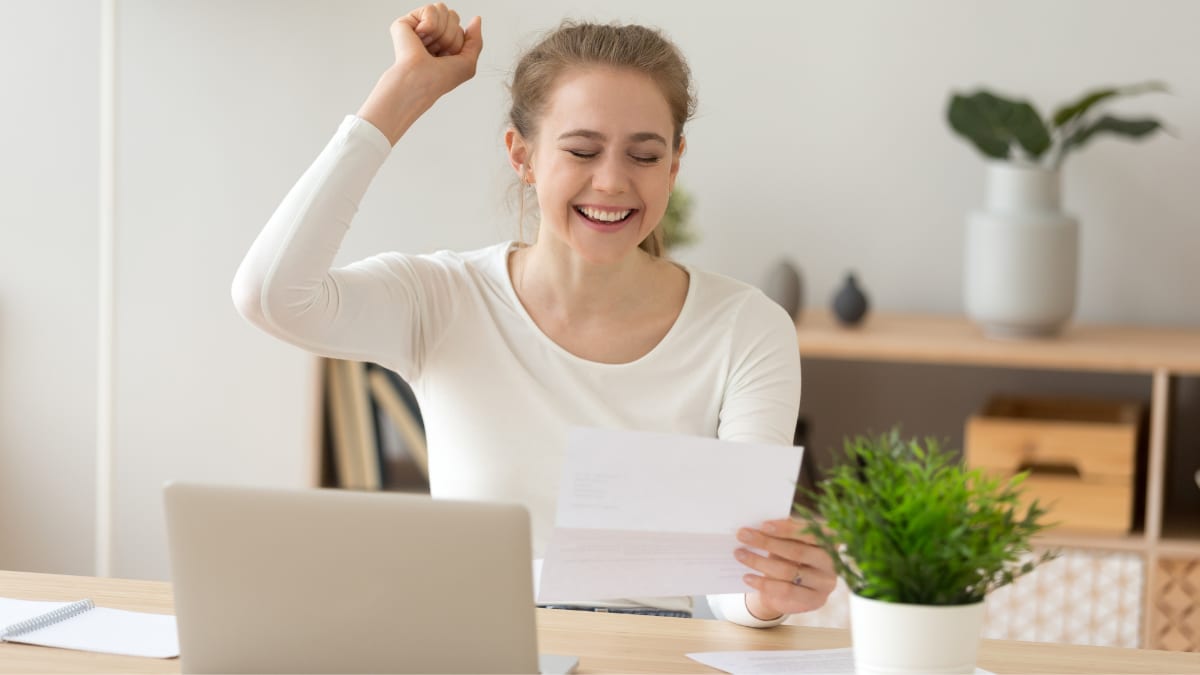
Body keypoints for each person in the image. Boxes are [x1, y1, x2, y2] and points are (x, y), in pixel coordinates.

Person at [232, 3, 835, 626]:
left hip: (647, 656)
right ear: (522, 156)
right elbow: (272, 296)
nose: (611, 182)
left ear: (675, 164)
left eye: (645, 156)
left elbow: (735, 579)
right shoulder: (443, 297)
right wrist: (402, 92)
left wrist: (769, 593)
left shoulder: (747, 329)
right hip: (475, 646)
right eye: (581, 150)